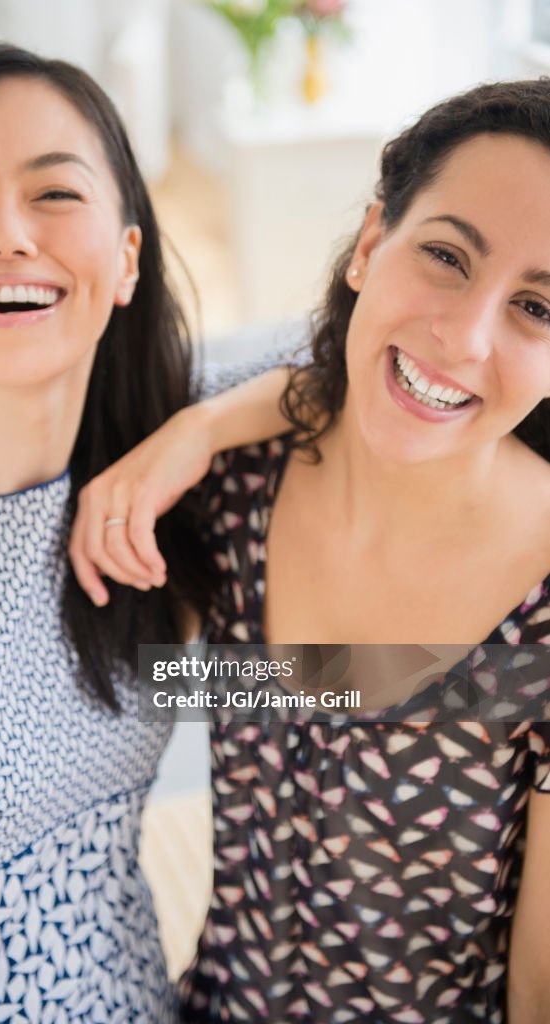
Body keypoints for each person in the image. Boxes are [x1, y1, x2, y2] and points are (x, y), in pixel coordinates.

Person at [48, 79, 550, 1022]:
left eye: (539, 309)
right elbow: (168, 695)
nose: (462, 335)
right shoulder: (239, 482)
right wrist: (197, 429)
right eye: (445, 254)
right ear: (370, 245)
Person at [0, 42, 295, 1023]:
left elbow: (396, 348)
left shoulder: (149, 504)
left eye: (55, 193)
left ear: (128, 258)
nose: (8, 233)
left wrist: (199, 430)